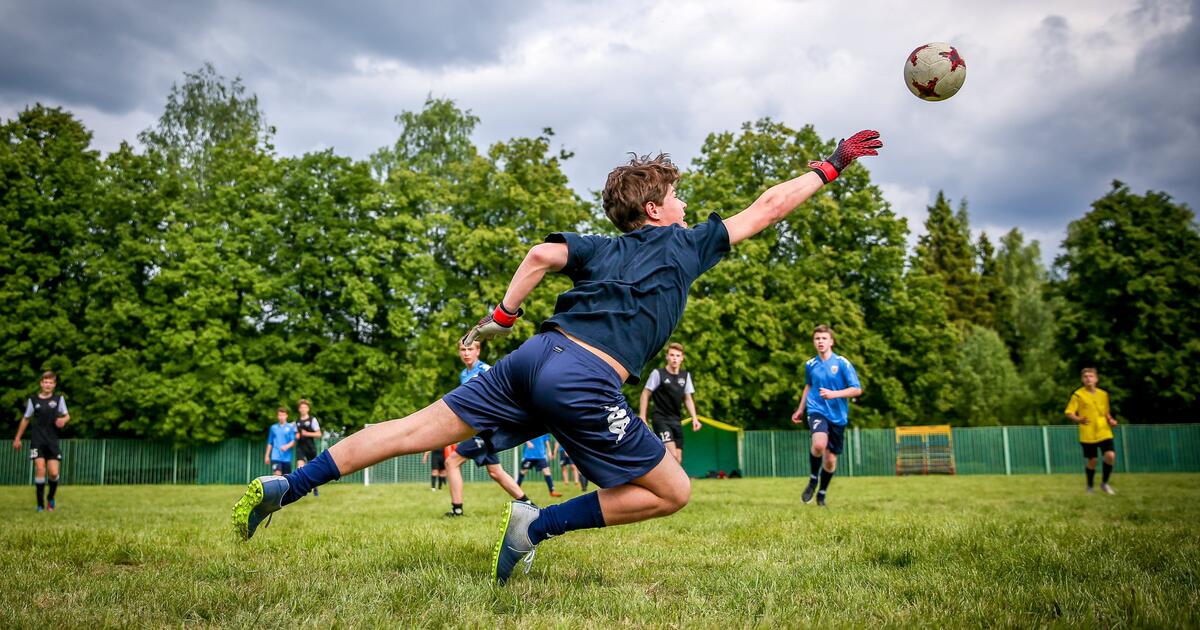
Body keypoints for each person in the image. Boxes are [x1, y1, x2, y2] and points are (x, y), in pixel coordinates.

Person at [231, 129, 882, 585]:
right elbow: (767, 209)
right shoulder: (686, 244)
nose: (686, 204)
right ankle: (535, 526)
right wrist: (831, 165)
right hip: (585, 377)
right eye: (677, 196)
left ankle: (290, 486)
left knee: (407, 431)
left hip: (532, 357)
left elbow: (542, 255)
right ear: (655, 210)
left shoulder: (602, 246)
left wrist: (504, 315)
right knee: (673, 490)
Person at [442, 340, 532, 516]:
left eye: (470, 349)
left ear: (478, 351)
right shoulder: (464, 374)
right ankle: (529, 505)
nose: (466, 353)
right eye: (463, 349)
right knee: (496, 472)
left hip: (487, 429)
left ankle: (457, 510)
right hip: (478, 429)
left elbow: (505, 392)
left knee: (451, 462)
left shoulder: (485, 370)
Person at [791, 325, 862, 507]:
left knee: (830, 461)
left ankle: (821, 493)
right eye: (817, 338)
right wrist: (800, 409)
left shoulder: (842, 363)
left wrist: (834, 394)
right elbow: (809, 386)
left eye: (824, 338)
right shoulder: (810, 364)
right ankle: (813, 479)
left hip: (838, 416)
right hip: (816, 410)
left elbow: (856, 389)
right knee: (819, 445)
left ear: (831, 342)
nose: (820, 341)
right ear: (814, 342)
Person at [12, 371, 70, 512]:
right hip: (37, 440)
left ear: (54, 385)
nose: (47, 385)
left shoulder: (58, 399)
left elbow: (67, 416)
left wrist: (63, 420)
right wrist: (18, 437)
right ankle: (40, 504)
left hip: (52, 441)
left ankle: (50, 498)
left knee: (54, 473)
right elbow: (26, 418)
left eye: (50, 382)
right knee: (40, 468)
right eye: (45, 382)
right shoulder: (33, 400)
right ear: (41, 384)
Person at [639, 342, 702, 464]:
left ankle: (659, 474)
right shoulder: (658, 374)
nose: (675, 358)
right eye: (672, 355)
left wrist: (694, 418)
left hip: (676, 420)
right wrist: (642, 416)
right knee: (672, 455)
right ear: (667, 356)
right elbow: (645, 394)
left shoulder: (685, 376)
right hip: (661, 419)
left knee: (678, 459)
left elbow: (688, 398)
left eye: (678, 356)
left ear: (682, 358)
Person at [1065, 368, 1119, 494]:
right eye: (1085, 376)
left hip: (1104, 431)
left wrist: (1111, 420)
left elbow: (1106, 412)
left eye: (1091, 376)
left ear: (1096, 379)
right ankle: (1090, 487)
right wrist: (1078, 419)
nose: (1088, 378)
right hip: (1088, 433)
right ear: (1082, 379)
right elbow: (1068, 412)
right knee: (1093, 460)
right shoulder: (1078, 395)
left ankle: (1105, 483)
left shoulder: (1103, 394)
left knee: (1110, 456)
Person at [295, 399, 322, 497]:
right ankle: (303, 489)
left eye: (305, 407)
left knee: (312, 469)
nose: (303, 409)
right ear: (299, 409)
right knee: (300, 468)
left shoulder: (312, 420)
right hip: (300, 447)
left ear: (308, 409)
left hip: (310, 447)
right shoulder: (297, 421)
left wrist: (307, 434)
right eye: (301, 407)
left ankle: (315, 488)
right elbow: (296, 434)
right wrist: (297, 435)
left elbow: (319, 434)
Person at [265, 407, 296, 476]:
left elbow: (293, 442)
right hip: (275, 456)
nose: (281, 417)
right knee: (277, 475)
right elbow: (270, 443)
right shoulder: (273, 427)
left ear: (286, 416)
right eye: (280, 415)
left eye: (283, 415)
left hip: (286, 458)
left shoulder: (290, 427)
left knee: (286, 478)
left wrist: (287, 446)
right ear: (277, 416)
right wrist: (267, 456)